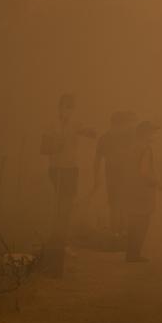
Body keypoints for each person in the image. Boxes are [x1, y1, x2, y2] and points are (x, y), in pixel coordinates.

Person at [41, 93, 96, 240]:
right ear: (59, 107)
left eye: (71, 106)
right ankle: (55, 236)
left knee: (67, 203)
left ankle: (61, 237)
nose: (68, 109)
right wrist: (55, 146)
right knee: (59, 203)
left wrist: (90, 132)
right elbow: (43, 148)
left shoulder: (76, 123)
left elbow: (90, 133)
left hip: (71, 168)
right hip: (56, 168)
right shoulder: (51, 124)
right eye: (65, 106)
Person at [93, 111, 137, 237]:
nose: (122, 127)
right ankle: (116, 231)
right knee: (115, 203)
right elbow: (97, 159)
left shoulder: (127, 137)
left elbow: (135, 155)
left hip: (125, 174)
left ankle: (122, 231)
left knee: (122, 203)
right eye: (121, 124)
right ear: (115, 124)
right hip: (113, 175)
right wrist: (96, 177)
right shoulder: (105, 139)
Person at [125, 120, 161, 263]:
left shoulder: (132, 147)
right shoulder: (146, 148)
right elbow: (144, 172)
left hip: (132, 188)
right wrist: (157, 182)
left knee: (133, 220)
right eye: (152, 131)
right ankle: (135, 254)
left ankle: (130, 254)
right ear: (145, 133)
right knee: (143, 221)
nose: (154, 134)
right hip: (143, 191)